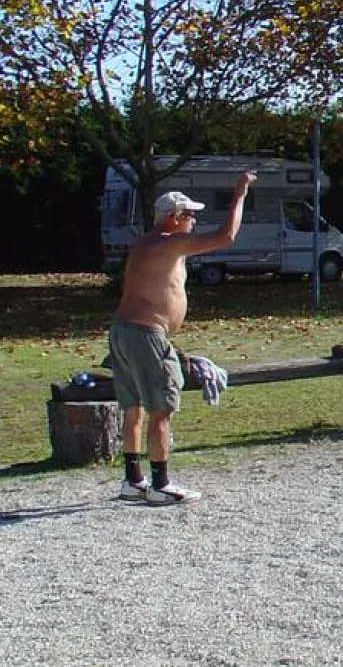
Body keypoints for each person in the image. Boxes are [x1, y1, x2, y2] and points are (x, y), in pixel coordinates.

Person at [109, 171, 256, 505]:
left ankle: (133, 480)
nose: (194, 221)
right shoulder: (167, 241)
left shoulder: (148, 242)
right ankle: (160, 484)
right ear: (174, 218)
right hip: (146, 335)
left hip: (124, 330)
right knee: (162, 408)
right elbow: (225, 236)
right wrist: (240, 194)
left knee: (133, 407)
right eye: (190, 215)